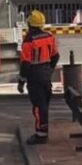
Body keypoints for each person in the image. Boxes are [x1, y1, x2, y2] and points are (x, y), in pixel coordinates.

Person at [19, 10, 59, 146]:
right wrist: (50, 69)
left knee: (38, 106)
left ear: (30, 24)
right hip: (46, 75)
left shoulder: (28, 41)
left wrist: (21, 81)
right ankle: (43, 131)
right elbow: (55, 56)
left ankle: (41, 135)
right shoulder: (49, 36)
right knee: (44, 105)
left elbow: (25, 64)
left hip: (34, 76)